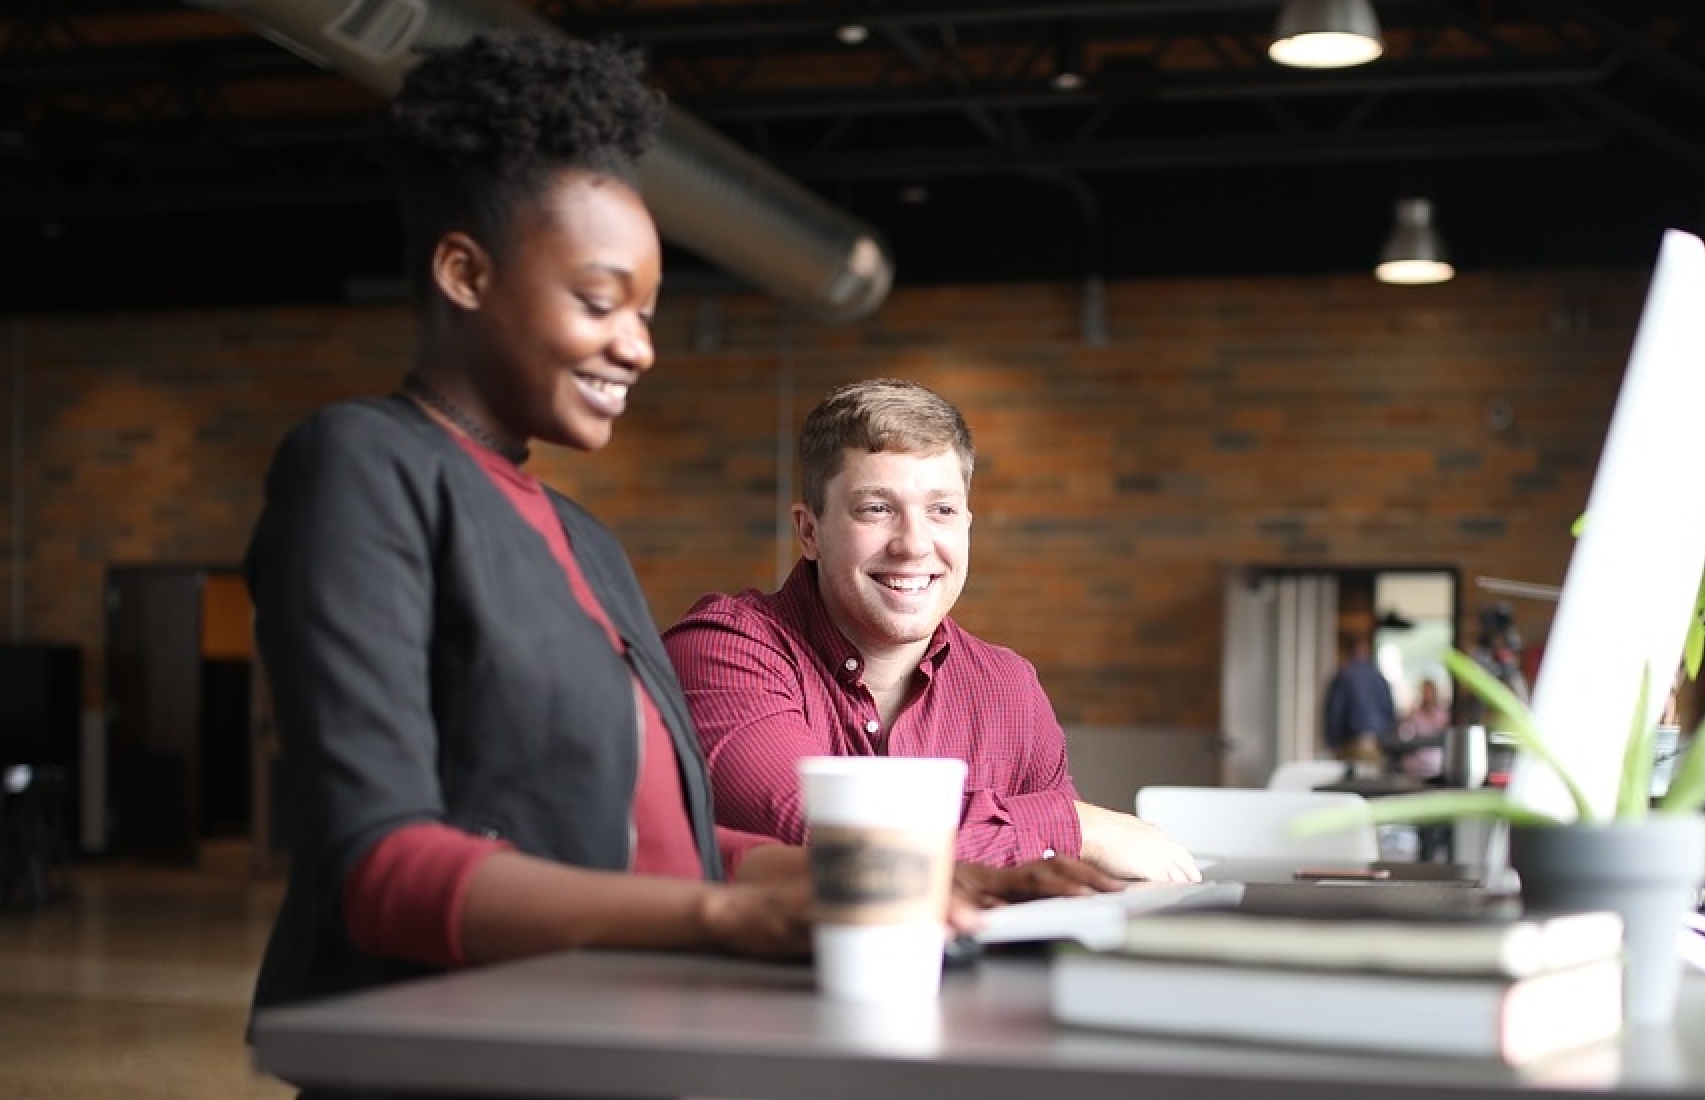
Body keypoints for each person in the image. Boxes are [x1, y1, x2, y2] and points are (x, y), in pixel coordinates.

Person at [243, 35, 1112, 1043]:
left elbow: (676, 849)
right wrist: (723, 916)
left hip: (610, 1040)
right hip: (456, 1053)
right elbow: (377, 867)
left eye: (648, 311)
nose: (639, 345)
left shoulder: (583, 538)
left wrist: (930, 881)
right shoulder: (363, 464)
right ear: (463, 271)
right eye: (599, 299)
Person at [664, 379, 1202, 883]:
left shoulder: (1008, 689)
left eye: (941, 510)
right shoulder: (722, 652)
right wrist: (1073, 825)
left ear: (967, 524)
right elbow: (827, 839)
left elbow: (1055, 881)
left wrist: (1067, 840)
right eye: (877, 509)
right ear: (810, 531)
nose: (913, 544)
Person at [1321, 629, 1396, 763]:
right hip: (1378, 741)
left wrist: (1333, 742)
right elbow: (1389, 710)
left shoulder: (1345, 675)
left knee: (1354, 780)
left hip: (1355, 741)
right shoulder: (1379, 677)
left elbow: (1336, 712)